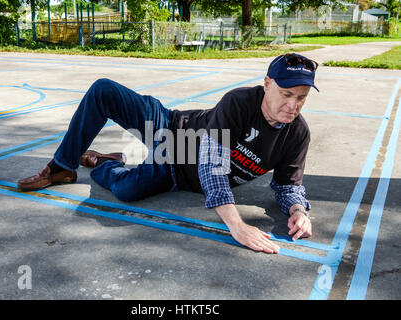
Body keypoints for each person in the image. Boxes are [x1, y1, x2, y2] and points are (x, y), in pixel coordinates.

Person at [18, 53, 319, 255]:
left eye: (301, 98)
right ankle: (63, 167)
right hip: (172, 128)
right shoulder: (239, 102)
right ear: (267, 84)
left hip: (174, 171)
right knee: (104, 90)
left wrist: (298, 212)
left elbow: (288, 185)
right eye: (287, 94)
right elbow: (212, 168)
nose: (292, 106)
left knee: (125, 189)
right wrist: (236, 226)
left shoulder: (298, 133)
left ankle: (103, 161)